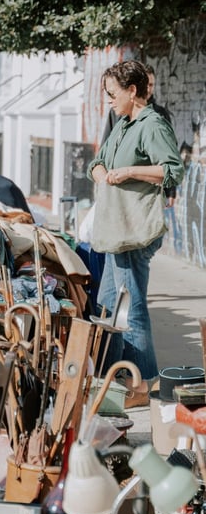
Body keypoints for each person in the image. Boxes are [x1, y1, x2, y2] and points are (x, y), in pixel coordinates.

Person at [88, 59, 184, 408]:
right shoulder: (122, 124)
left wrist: (129, 171)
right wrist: (101, 173)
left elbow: (173, 170)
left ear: (132, 90)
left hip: (134, 228)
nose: (109, 100)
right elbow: (96, 161)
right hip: (115, 228)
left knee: (132, 307)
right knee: (111, 305)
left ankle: (142, 385)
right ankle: (117, 376)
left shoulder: (151, 124)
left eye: (113, 93)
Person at [100, 63, 172, 146]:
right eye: (146, 85)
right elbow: (105, 145)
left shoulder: (160, 114)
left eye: (151, 85)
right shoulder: (116, 111)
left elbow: (167, 149)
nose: (148, 89)